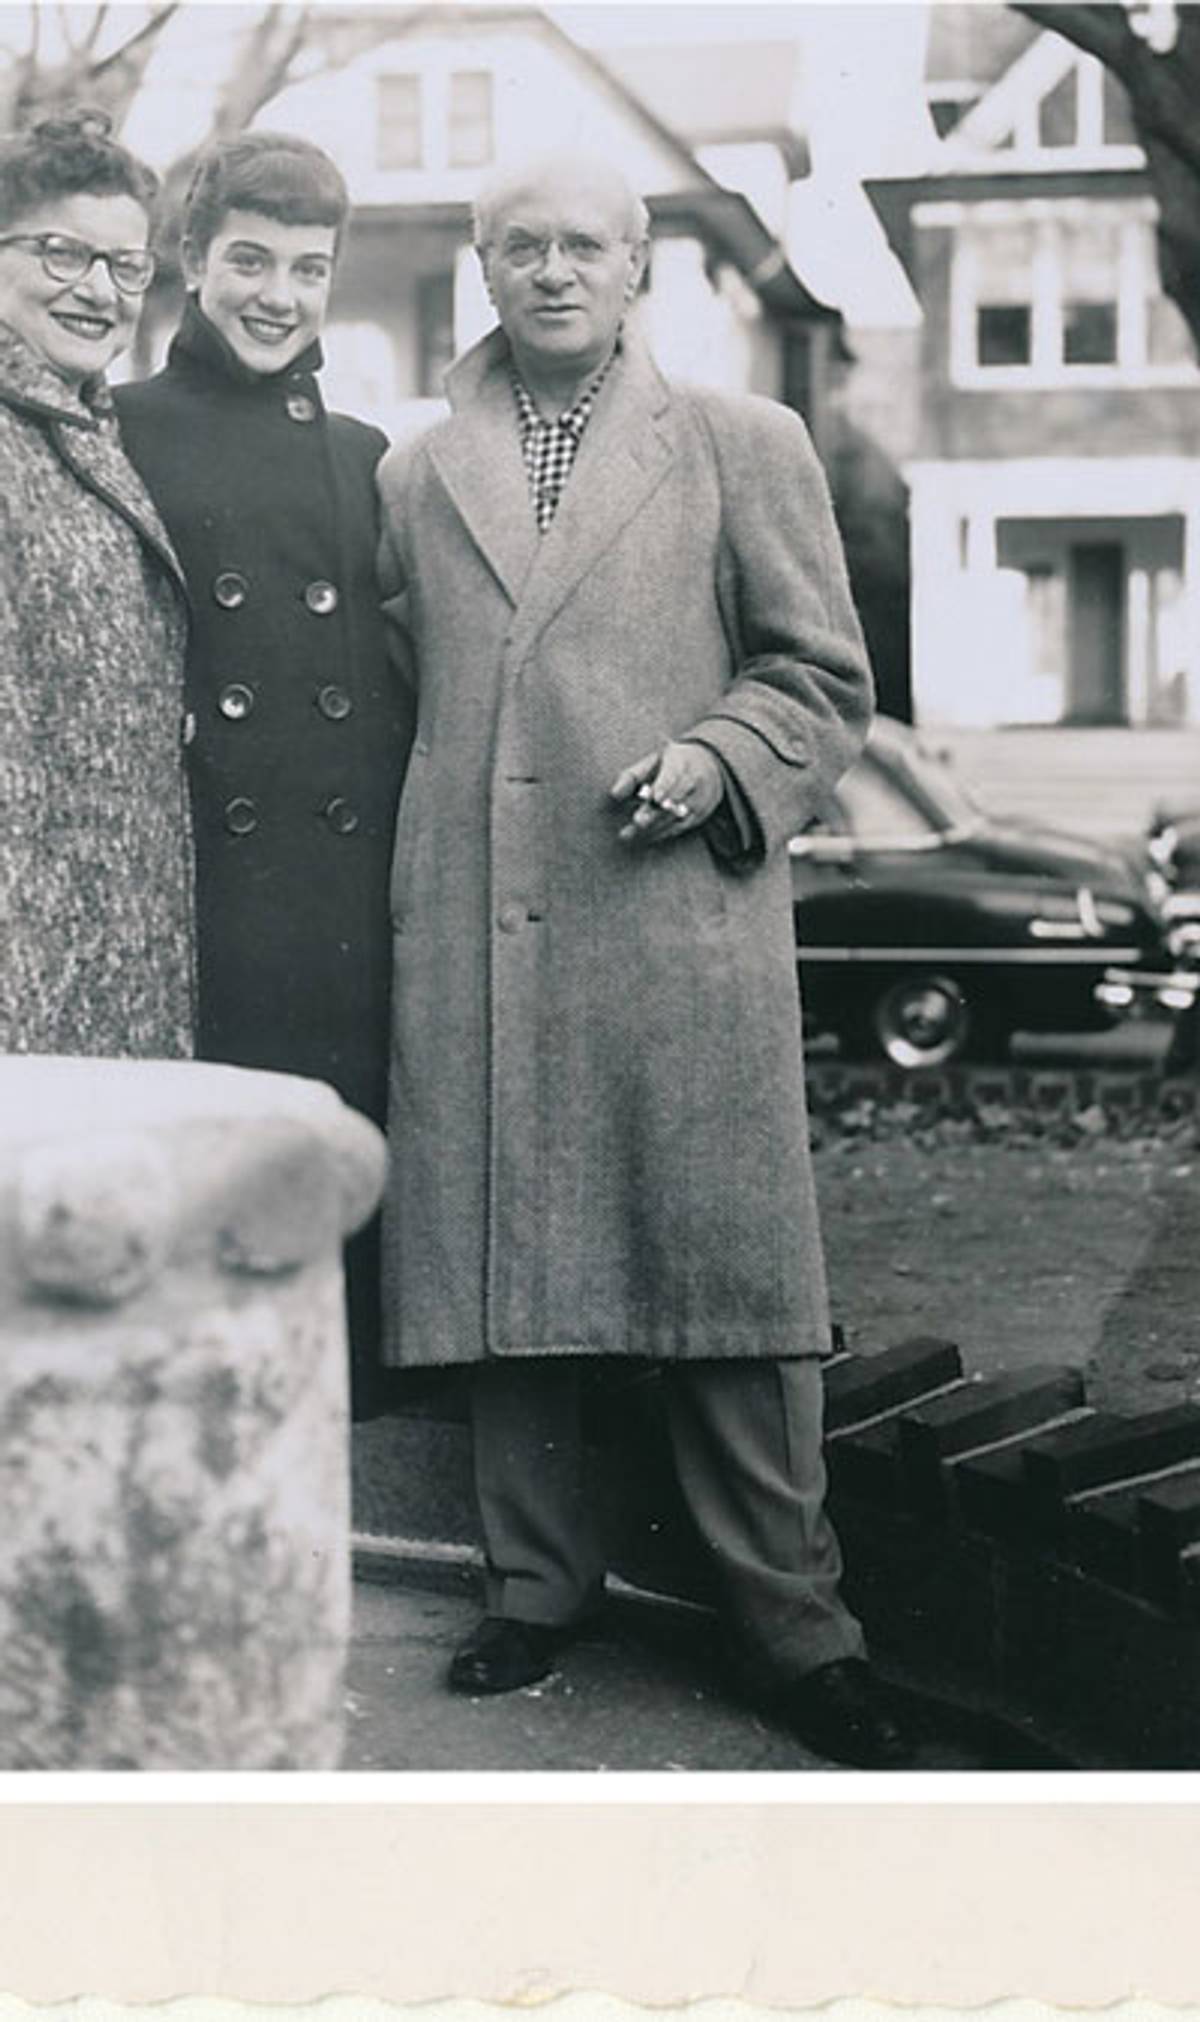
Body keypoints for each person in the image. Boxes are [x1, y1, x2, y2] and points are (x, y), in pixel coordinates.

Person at [376, 151, 911, 1767]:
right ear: (484, 268)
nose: (550, 271)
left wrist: (719, 757)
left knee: (730, 1292)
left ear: (638, 269)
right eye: (520, 246)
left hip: (674, 925)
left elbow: (821, 679)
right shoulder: (413, 470)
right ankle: (534, 1587)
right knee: (509, 1277)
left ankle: (795, 1625)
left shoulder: (744, 442)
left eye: (581, 247)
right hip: (481, 928)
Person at [116, 132, 412, 1416]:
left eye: (308, 268)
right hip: (203, 910)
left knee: (341, 1241)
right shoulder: (115, 429)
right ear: (190, 260)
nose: (277, 295)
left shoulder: (366, 457)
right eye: (249, 260)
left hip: (347, 923)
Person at [0, 108, 192, 1058]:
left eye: (125, 266)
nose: (97, 290)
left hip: (102, 960)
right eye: (61, 254)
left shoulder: (86, 427)